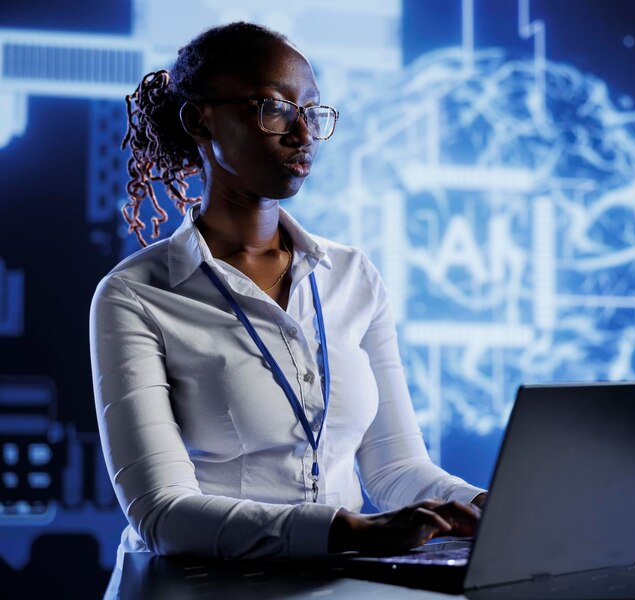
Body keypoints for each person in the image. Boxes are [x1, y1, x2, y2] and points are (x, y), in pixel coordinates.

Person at [90, 21, 487, 593]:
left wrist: (483, 503)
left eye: (313, 111)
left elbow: (397, 470)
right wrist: (346, 530)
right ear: (200, 119)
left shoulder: (353, 277)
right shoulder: (135, 294)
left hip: (339, 586)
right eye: (273, 108)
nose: (301, 132)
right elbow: (162, 514)